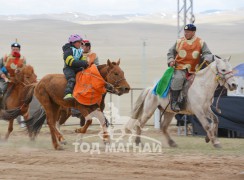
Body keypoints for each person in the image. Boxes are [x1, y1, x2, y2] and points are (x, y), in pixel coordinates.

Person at [167, 24, 214, 112]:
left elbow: (207, 53)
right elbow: (171, 52)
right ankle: (174, 102)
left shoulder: (200, 42)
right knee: (178, 78)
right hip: (180, 67)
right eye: (185, 32)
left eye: (188, 32)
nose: (186, 33)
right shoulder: (179, 41)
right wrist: (171, 60)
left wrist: (207, 57)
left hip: (195, 69)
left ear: (193, 32)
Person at [62, 34, 89, 100]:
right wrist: (83, 63)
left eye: (81, 42)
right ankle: (68, 94)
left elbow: (82, 60)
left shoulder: (79, 51)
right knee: (72, 79)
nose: (80, 44)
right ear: (73, 43)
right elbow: (71, 62)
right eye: (79, 42)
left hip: (76, 68)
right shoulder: (68, 50)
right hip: (69, 68)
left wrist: (86, 64)